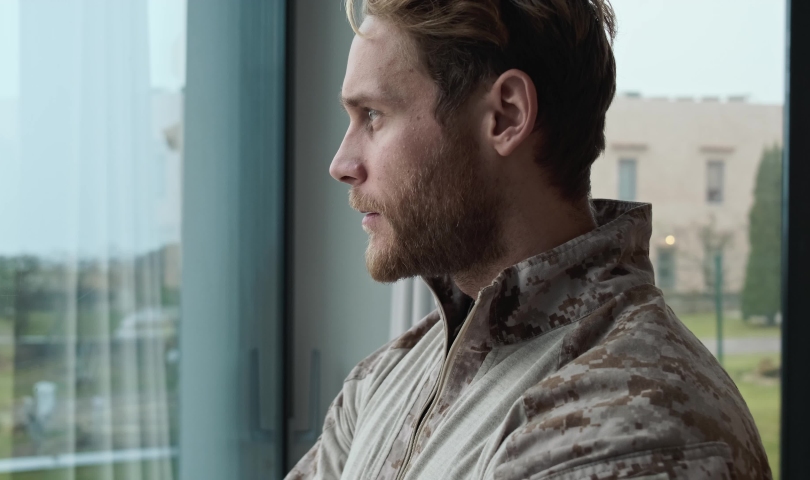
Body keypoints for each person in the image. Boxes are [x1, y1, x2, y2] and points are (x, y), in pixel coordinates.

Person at [286, 0, 771, 478]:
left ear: (506, 115)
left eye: (372, 114)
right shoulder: (383, 383)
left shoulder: (630, 425)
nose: (341, 165)